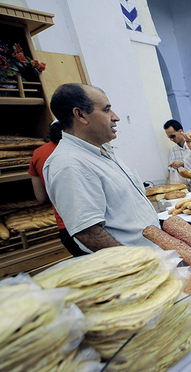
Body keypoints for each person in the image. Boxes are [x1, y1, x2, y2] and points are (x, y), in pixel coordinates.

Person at [43, 83, 160, 252]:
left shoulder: (101, 151)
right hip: (137, 266)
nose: (116, 117)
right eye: (106, 110)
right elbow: (88, 232)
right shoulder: (69, 163)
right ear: (81, 115)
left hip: (155, 255)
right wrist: (136, 263)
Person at [29, 121, 86, 257]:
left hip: (66, 227)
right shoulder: (83, 149)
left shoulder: (38, 153)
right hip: (93, 224)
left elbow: (41, 197)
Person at [164, 119, 191, 184]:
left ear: (180, 131)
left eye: (172, 136)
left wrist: (181, 164)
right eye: (169, 137)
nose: (171, 139)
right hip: (183, 184)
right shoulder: (173, 150)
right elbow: (171, 172)